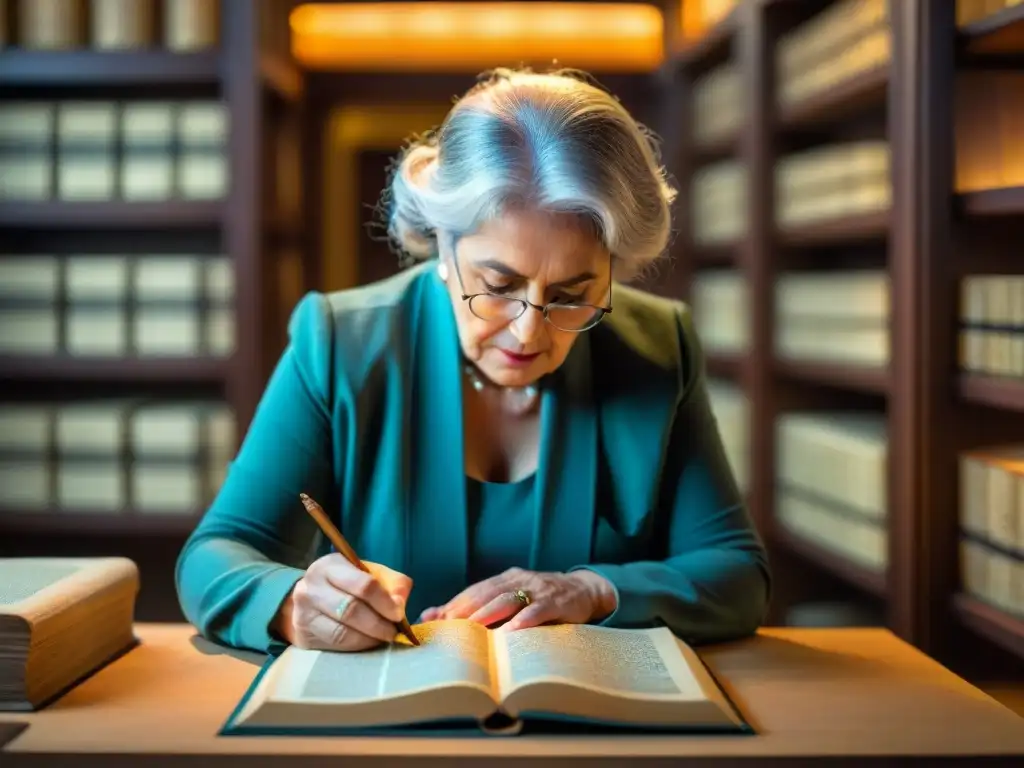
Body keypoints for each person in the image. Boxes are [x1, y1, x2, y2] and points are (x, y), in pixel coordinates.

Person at [175, 67, 770, 655]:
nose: (529, 328)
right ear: (441, 244)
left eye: (570, 294)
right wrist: (289, 604)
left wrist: (594, 590)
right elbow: (214, 554)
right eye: (498, 284)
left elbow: (738, 575)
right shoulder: (339, 342)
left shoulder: (660, 343)